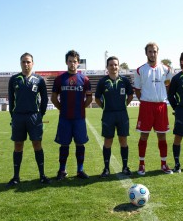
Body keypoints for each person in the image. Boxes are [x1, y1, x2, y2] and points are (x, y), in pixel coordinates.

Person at [7, 52, 50, 187]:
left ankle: (42, 175)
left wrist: (40, 115)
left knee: (37, 144)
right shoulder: (14, 79)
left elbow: (45, 99)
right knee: (18, 145)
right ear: (20, 63)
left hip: (34, 116)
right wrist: (13, 116)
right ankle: (16, 177)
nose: (26, 64)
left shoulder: (39, 80)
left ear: (32, 63)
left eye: (28, 62)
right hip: (18, 117)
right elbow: (11, 99)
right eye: (24, 62)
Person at [51, 50, 92, 180]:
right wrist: (62, 108)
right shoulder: (59, 79)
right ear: (66, 62)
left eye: (75, 61)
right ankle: (62, 170)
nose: (72, 63)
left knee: (80, 144)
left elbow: (90, 99)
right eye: (70, 61)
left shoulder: (85, 80)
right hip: (65, 119)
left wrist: (80, 107)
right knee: (64, 145)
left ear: (78, 63)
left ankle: (80, 170)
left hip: (79, 119)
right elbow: (53, 98)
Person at [134, 42, 174, 175]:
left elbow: (168, 86)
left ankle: (163, 164)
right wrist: (145, 101)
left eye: (154, 51)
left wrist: (161, 97)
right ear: (146, 53)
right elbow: (138, 90)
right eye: (150, 51)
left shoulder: (166, 69)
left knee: (162, 136)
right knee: (144, 135)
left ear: (158, 52)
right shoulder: (140, 70)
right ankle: (141, 164)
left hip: (161, 106)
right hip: (146, 106)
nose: (152, 54)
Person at [95, 56, 134, 178]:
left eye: (115, 64)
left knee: (123, 140)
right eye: (111, 65)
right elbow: (97, 98)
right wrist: (105, 108)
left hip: (122, 114)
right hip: (108, 115)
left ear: (119, 66)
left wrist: (123, 106)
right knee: (108, 141)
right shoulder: (103, 82)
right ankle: (106, 169)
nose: (113, 67)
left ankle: (125, 167)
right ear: (107, 67)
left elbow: (131, 95)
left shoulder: (124, 81)